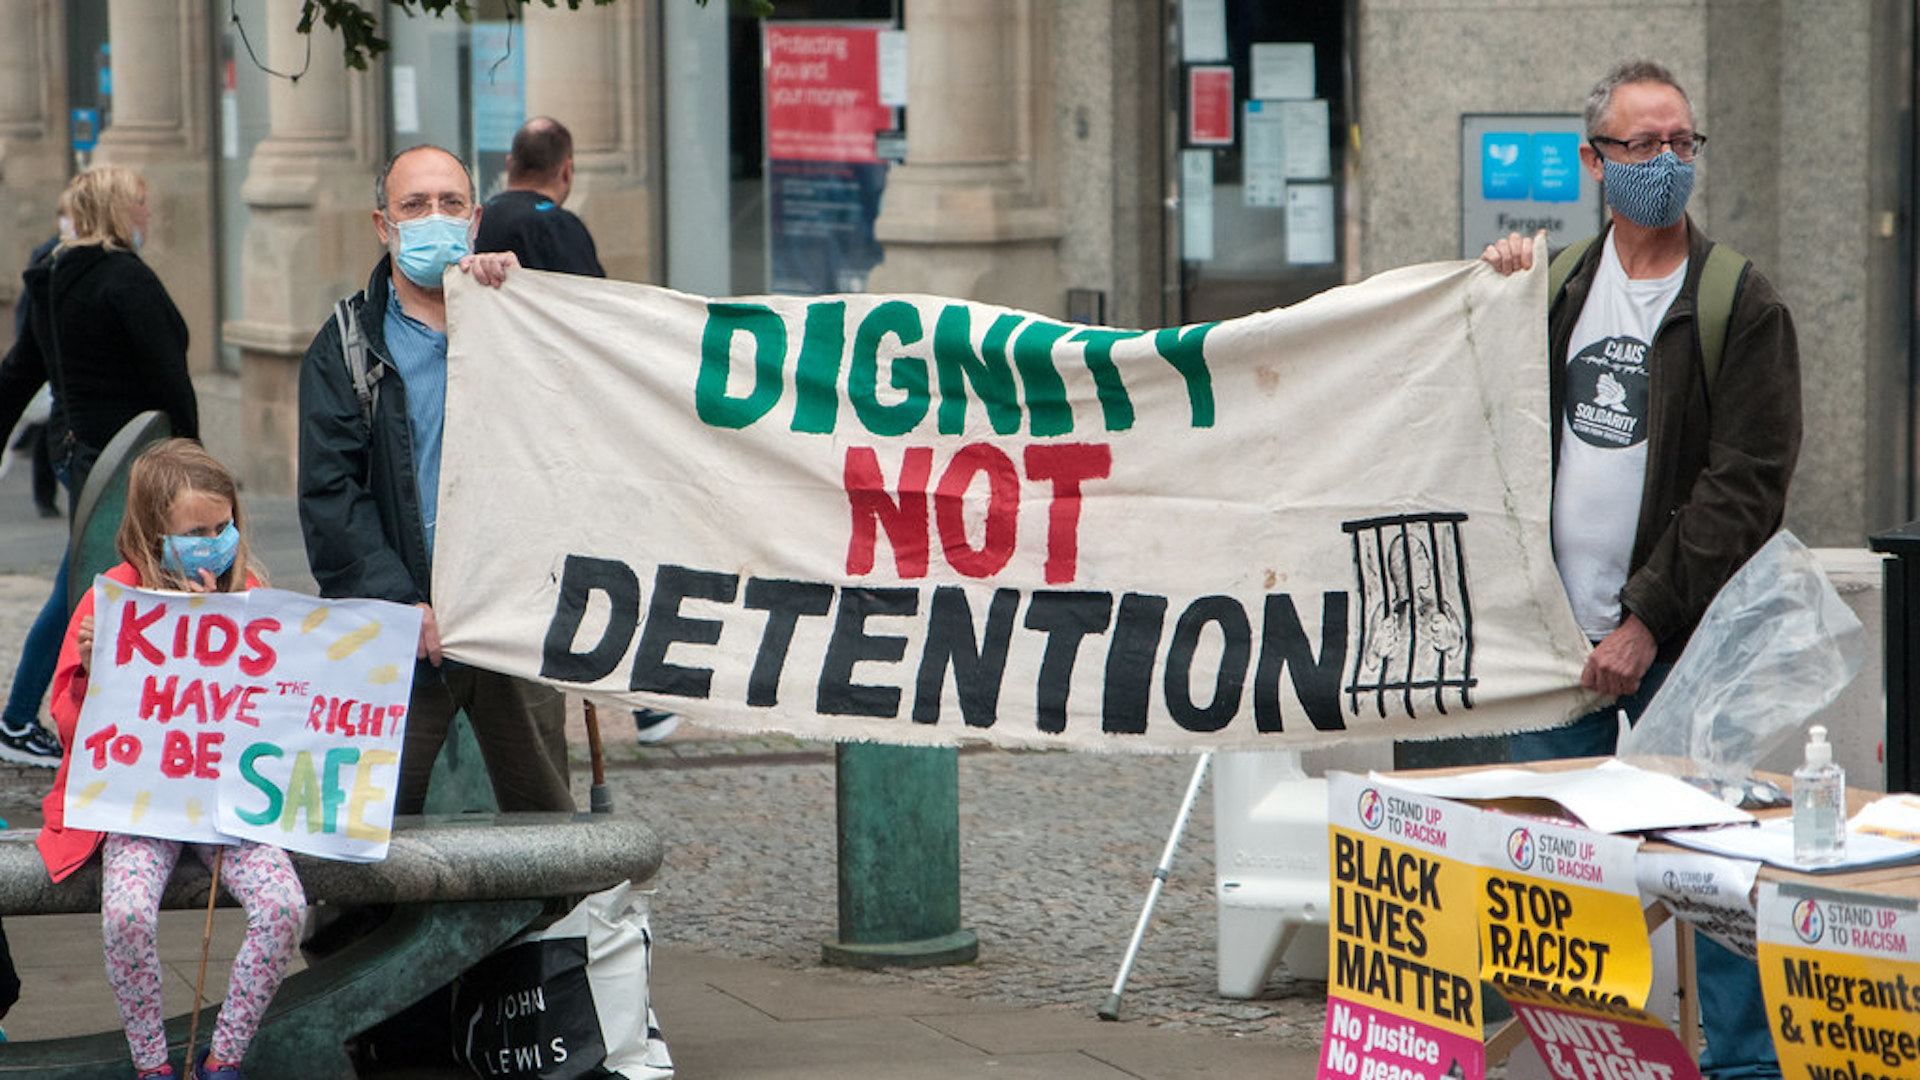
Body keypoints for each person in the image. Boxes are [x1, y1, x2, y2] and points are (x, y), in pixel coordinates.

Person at [1483, 60, 1800, 1080]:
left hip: (1683, 645)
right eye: (1642, 145)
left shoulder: (1739, 303)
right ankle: (1587, 1058)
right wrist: (1491, 288)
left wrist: (1647, 619)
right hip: (1556, 641)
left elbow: (1746, 486)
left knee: (1714, 869)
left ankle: (1742, 1066)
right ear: (1593, 162)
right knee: (1558, 879)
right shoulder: (1558, 288)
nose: (1666, 162)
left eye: (1682, 143)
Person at [297, 144, 574, 814]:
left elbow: (572, 438)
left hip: (511, 617)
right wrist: (395, 600)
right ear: (381, 224)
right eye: (414, 206)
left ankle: (537, 922)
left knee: (551, 825)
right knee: (367, 832)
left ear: (475, 219)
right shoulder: (346, 346)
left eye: (450, 204)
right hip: (402, 629)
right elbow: (332, 495)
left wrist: (524, 298)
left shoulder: (514, 320)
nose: (434, 218)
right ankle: (366, 926)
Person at [38, 439, 305, 1080]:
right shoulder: (112, 602)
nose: (214, 541)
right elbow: (68, 719)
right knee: (128, 913)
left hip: (227, 804)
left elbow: (286, 709)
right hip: (142, 804)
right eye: (197, 532)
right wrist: (97, 665)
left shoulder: (253, 593)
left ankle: (225, 1061)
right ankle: (153, 1067)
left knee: (285, 907)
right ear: (156, 532)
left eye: (222, 527)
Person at [473, 117, 681, 745]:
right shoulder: (553, 225)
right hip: (555, 430)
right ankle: (641, 699)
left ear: (510, 162)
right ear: (566, 169)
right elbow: (597, 326)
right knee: (599, 561)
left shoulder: (474, 224)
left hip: (494, 426)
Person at [0, 167, 197, 767]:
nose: (148, 213)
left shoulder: (53, 275)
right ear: (118, 207)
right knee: (90, 587)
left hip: (77, 451)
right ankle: (25, 718)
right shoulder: (125, 279)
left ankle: (86, 715)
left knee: (96, 581)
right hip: (127, 460)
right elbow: (171, 377)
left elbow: (19, 372)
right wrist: (194, 458)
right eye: (140, 201)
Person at [474, 116, 606, 277]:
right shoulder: (560, 226)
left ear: (509, 164)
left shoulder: (478, 219)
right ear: (566, 169)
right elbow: (590, 296)